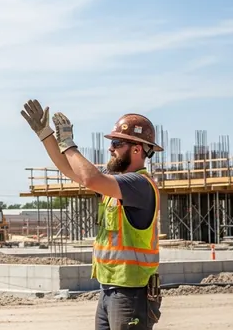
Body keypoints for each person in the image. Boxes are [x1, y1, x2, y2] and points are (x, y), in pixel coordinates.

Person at [21, 99, 163, 330]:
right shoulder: (116, 185)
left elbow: (90, 178)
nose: (111, 148)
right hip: (109, 289)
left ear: (137, 149)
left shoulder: (139, 184)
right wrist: (45, 134)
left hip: (131, 292)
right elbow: (70, 170)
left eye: (117, 143)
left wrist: (67, 142)